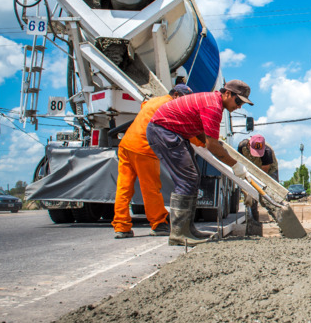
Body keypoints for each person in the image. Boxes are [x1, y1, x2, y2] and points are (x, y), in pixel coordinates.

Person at [146, 79, 253, 246]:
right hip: (164, 131)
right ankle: (179, 233)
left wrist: (216, 147)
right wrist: (235, 165)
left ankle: (188, 230)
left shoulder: (213, 102)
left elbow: (206, 136)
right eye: (238, 101)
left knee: (193, 178)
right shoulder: (214, 106)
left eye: (242, 103)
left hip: (174, 133)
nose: (239, 106)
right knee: (187, 178)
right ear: (226, 93)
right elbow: (211, 145)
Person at [112, 84, 193, 239]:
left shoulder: (153, 101)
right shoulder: (172, 107)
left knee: (124, 188)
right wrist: (203, 143)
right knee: (151, 188)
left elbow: (143, 106)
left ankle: (121, 226)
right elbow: (187, 131)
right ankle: (158, 223)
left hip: (127, 145)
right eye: (184, 99)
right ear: (175, 95)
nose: (185, 103)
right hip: (144, 149)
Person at [237, 134, 279, 235]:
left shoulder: (267, 152)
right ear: (249, 145)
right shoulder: (241, 146)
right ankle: (253, 220)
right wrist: (246, 185)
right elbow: (238, 162)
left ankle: (279, 218)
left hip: (268, 171)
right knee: (250, 197)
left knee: (271, 195)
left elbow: (263, 174)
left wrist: (256, 186)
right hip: (249, 170)